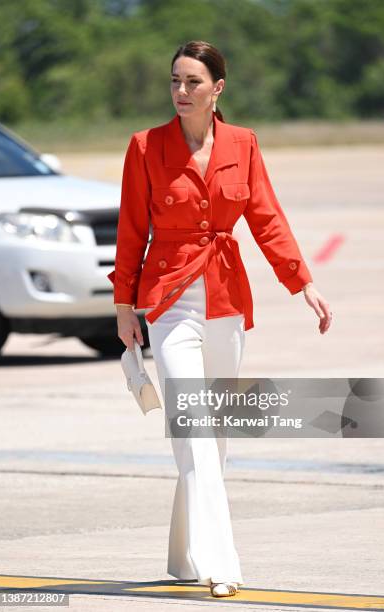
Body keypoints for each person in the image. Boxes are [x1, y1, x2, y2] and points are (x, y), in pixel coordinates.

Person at [108, 40, 332, 598]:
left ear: (217, 89)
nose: (181, 91)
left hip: (226, 298)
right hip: (168, 299)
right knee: (194, 427)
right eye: (175, 81)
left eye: (192, 82)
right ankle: (220, 561)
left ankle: (183, 554)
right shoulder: (145, 147)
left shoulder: (243, 144)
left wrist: (303, 282)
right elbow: (132, 230)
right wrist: (122, 306)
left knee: (217, 432)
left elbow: (266, 217)